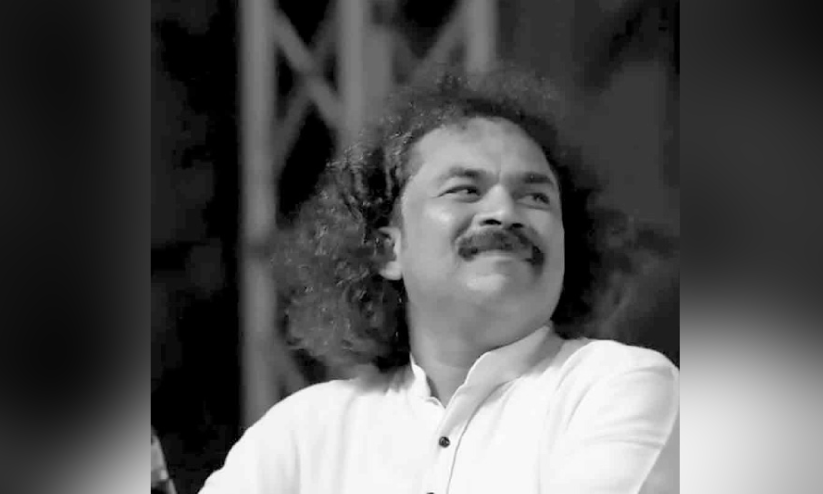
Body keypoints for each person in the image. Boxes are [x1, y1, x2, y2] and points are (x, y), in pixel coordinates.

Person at [199, 67, 679, 494]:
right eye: (465, 190)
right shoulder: (303, 433)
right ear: (387, 250)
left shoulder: (617, 385)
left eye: (535, 197)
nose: (503, 212)